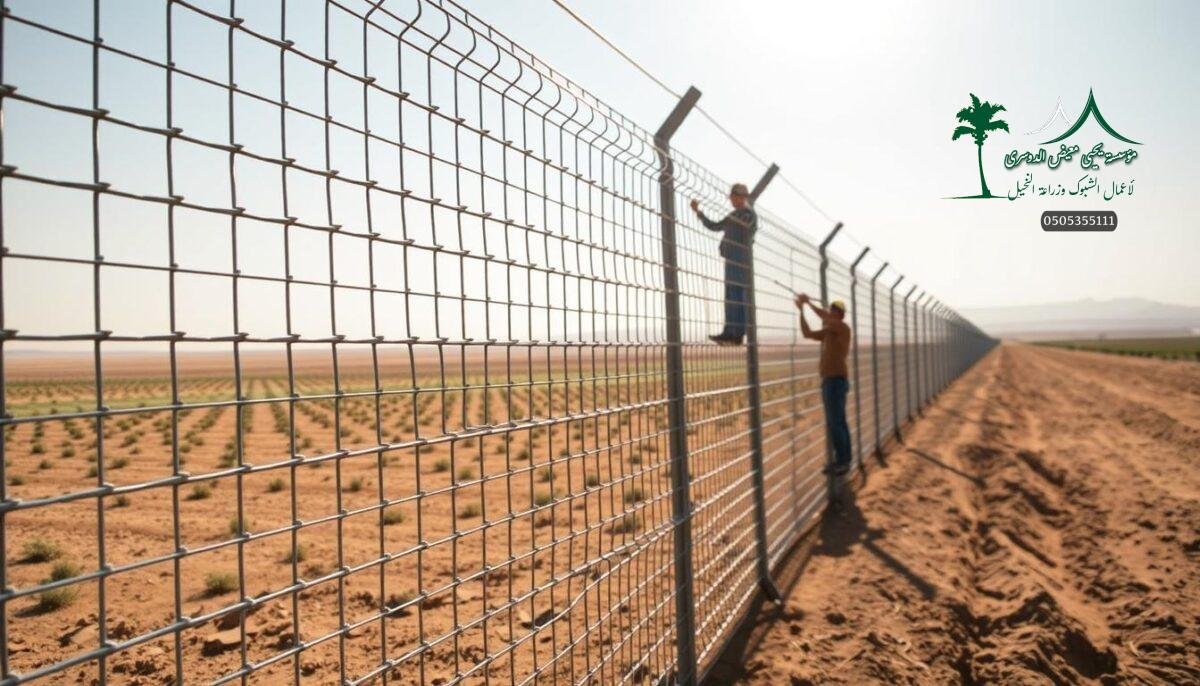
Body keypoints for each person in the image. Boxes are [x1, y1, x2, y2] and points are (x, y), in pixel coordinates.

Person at [690, 183, 756, 345]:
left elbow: (745, 229)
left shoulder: (748, 214)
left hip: (740, 259)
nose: (732, 200)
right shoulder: (735, 214)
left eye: (734, 197)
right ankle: (730, 332)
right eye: (732, 197)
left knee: (738, 296)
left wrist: (730, 227)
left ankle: (737, 333)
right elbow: (715, 226)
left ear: (742, 197)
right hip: (732, 259)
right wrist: (699, 213)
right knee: (730, 296)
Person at [795, 293, 853, 476]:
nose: (831, 313)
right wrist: (801, 311)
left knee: (836, 423)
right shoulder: (829, 331)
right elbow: (807, 333)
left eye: (835, 311)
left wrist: (808, 303)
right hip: (829, 381)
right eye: (831, 309)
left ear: (841, 315)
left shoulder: (843, 328)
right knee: (838, 422)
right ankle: (844, 459)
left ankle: (842, 461)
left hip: (836, 381)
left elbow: (824, 317)